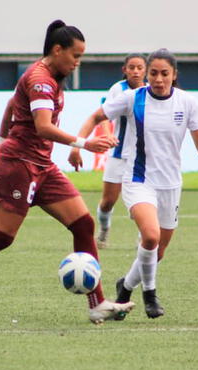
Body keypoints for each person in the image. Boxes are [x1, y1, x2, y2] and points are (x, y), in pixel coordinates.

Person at [0, 20, 135, 325]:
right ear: (57, 50)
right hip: (19, 165)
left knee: (83, 224)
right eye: (75, 55)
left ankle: (96, 303)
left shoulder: (49, 76)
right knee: (1, 237)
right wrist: (84, 143)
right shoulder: (41, 80)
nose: (78, 62)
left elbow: (11, 105)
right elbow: (43, 126)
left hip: (42, 166)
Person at [69, 48, 198, 319]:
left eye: (165, 73)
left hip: (171, 185)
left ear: (174, 75)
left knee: (158, 251)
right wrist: (77, 145)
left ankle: (125, 286)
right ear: (147, 74)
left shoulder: (188, 103)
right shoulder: (133, 99)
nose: (158, 79)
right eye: (153, 73)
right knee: (150, 237)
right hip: (138, 180)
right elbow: (96, 117)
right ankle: (150, 294)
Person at [71, 54, 147, 249]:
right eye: (132, 67)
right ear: (125, 70)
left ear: (145, 70)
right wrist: (107, 136)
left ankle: (144, 238)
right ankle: (104, 231)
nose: (136, 71)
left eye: (140, 67)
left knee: (141, 202)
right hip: (118, 154)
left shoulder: (151, 92)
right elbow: (104, 116)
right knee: (107, 202)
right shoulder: (118, 89)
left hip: (142, 158)